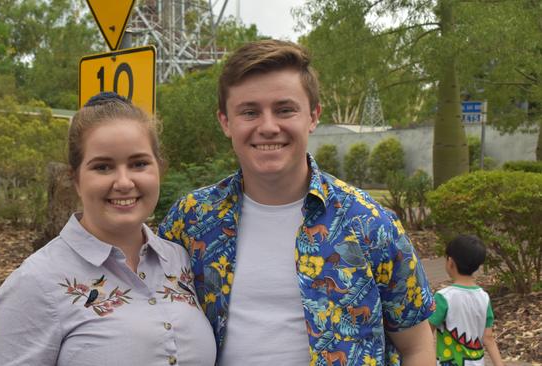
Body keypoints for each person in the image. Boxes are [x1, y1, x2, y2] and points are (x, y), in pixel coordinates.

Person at [159, 39, 436, 365]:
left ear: (313, 116)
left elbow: (416, 345)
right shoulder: (190, 222)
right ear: (225, 122)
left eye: (285, 109)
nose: (268, 127)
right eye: (249, 112)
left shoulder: (369, 222)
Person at [0, 92, 216, 365]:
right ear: (76, 179)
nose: (124, 182)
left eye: (139, 164)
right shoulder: (36, 283)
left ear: (159, 169)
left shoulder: (180, 261)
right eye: (103, 167)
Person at [428, 235, 503, 366]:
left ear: (450, 262)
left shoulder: (443, 297)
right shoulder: (484, 297)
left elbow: (426, 335)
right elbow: (488, 338)